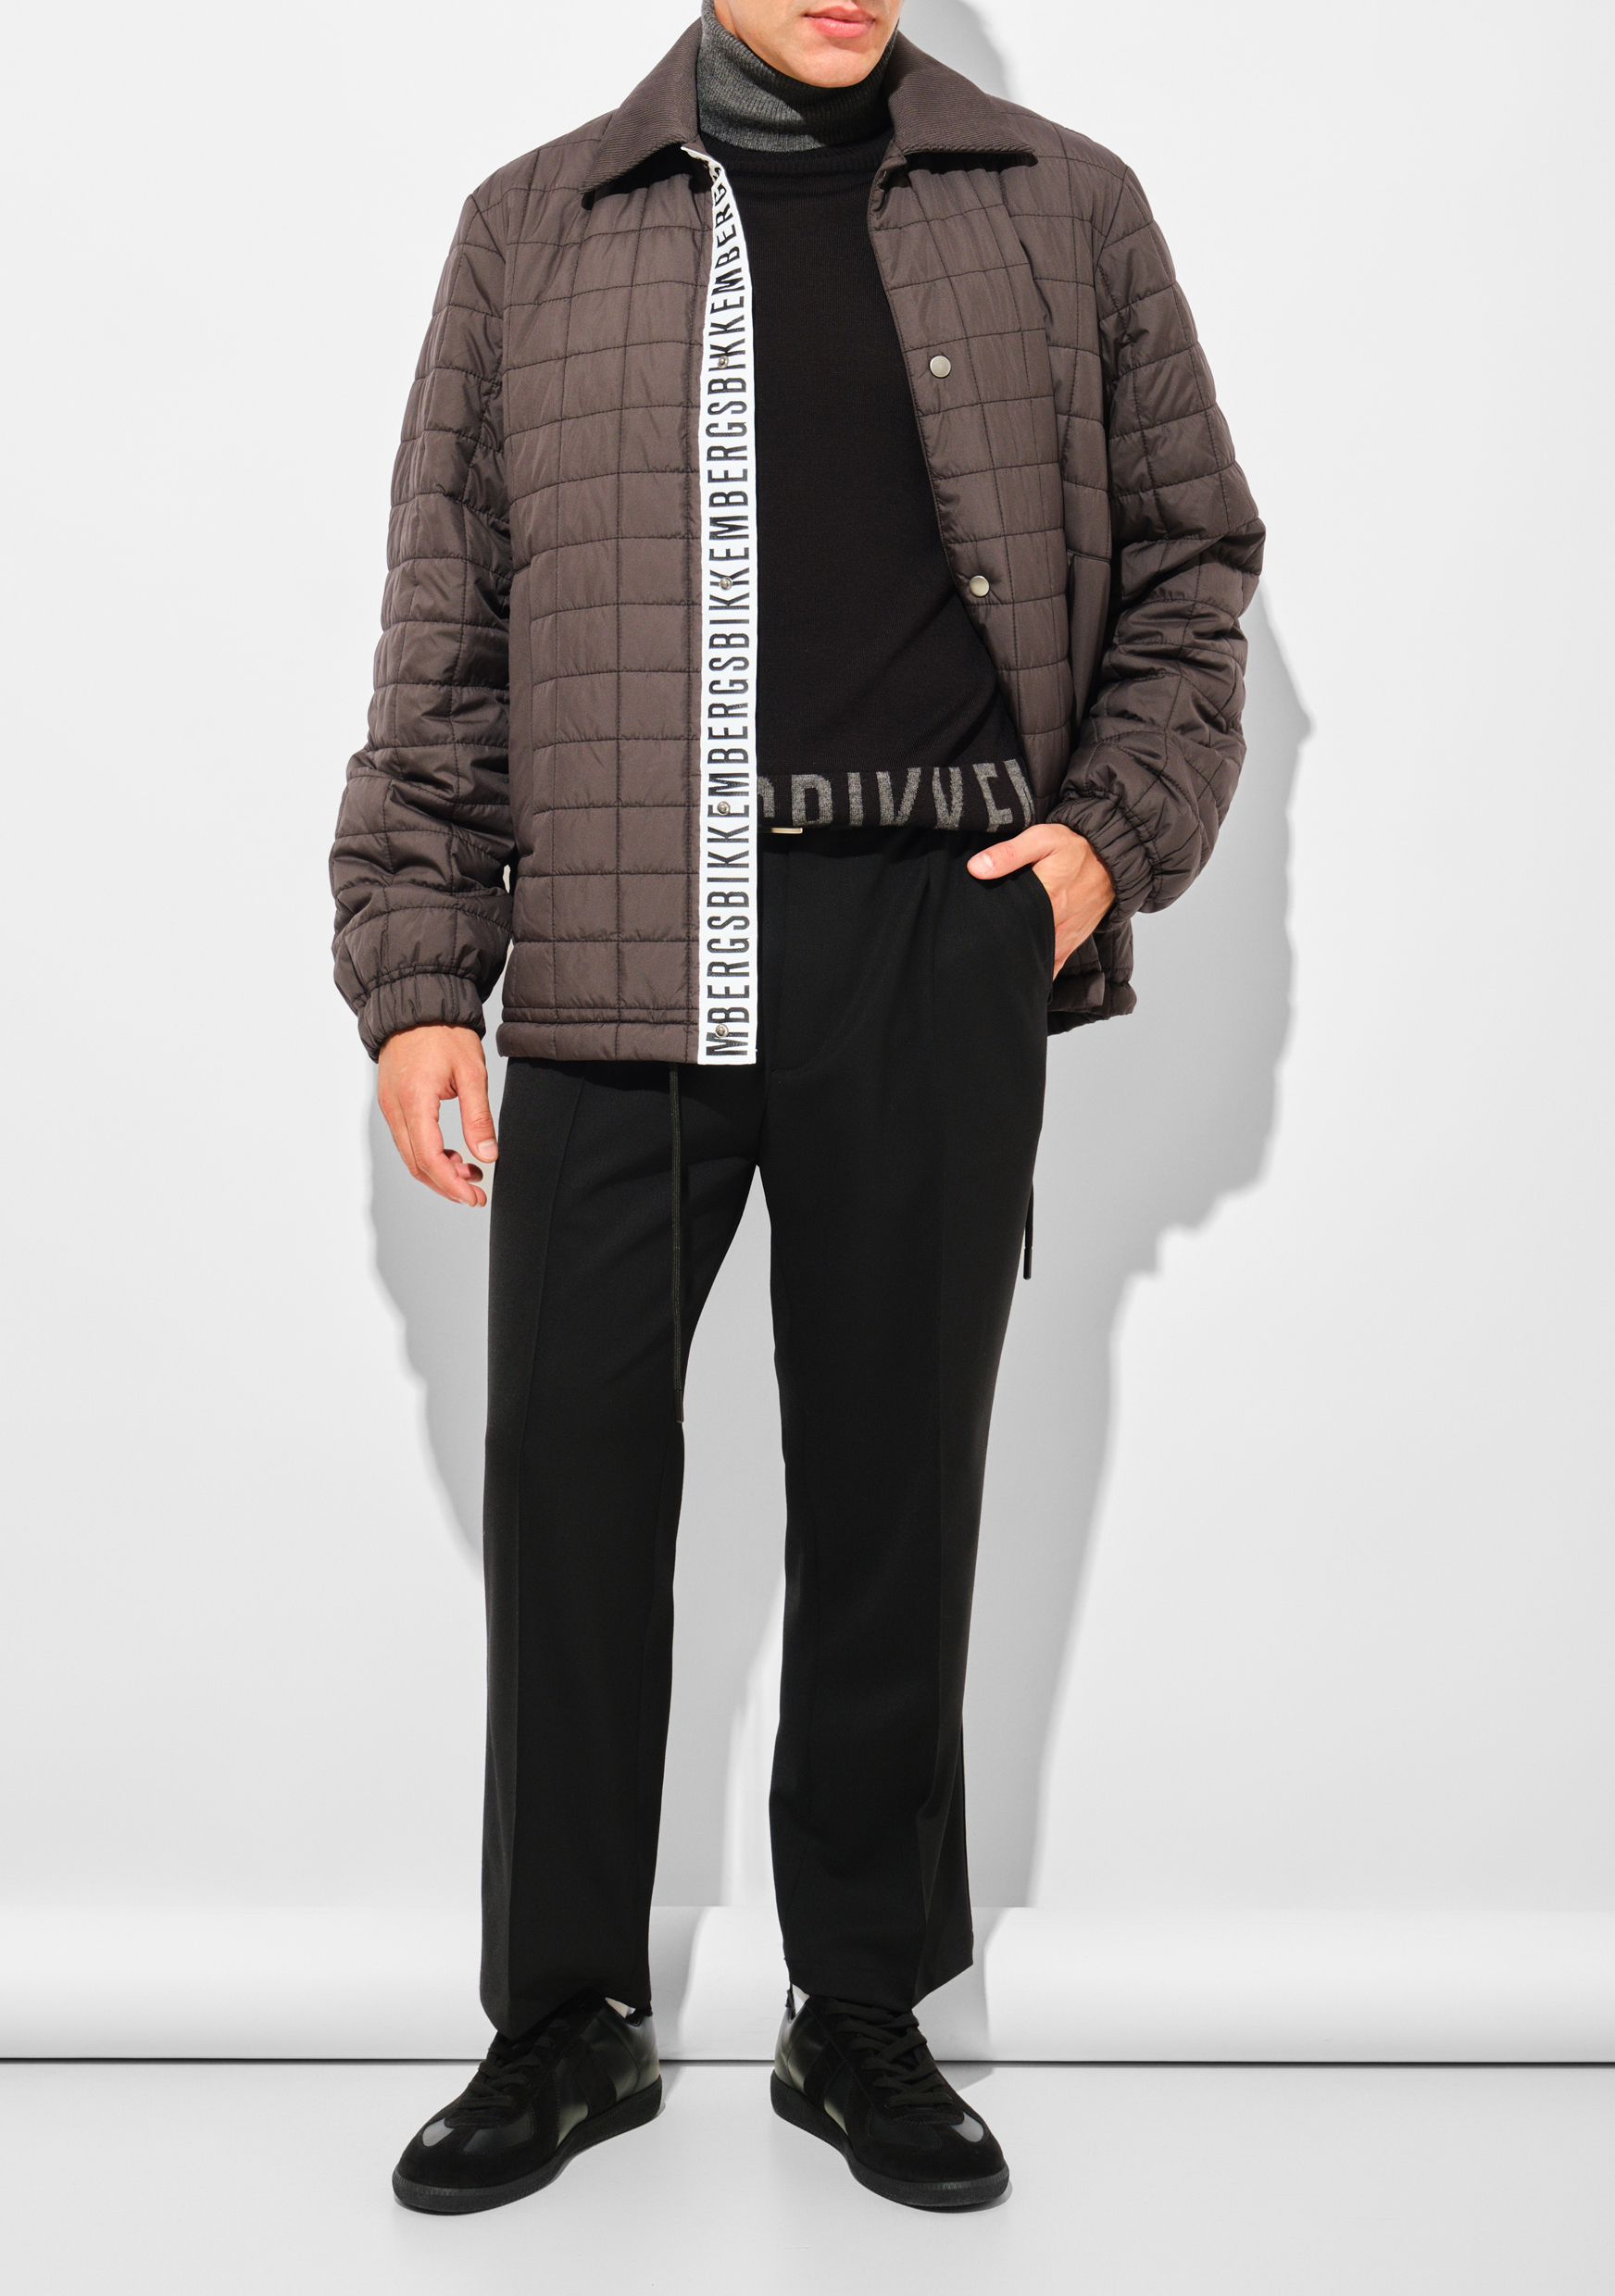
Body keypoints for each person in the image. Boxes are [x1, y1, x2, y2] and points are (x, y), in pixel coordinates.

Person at [331, 0, 1261, 2215]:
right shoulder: (535, 226)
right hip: (624, 932)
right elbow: (447, 629)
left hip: (931, 930)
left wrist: (1101, 844)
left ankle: (861, 2010)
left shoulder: (1067, 210)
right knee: (571, 1475)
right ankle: (565, 2017)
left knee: (890, 1482)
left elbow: (1190, 564)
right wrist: (417, 969)